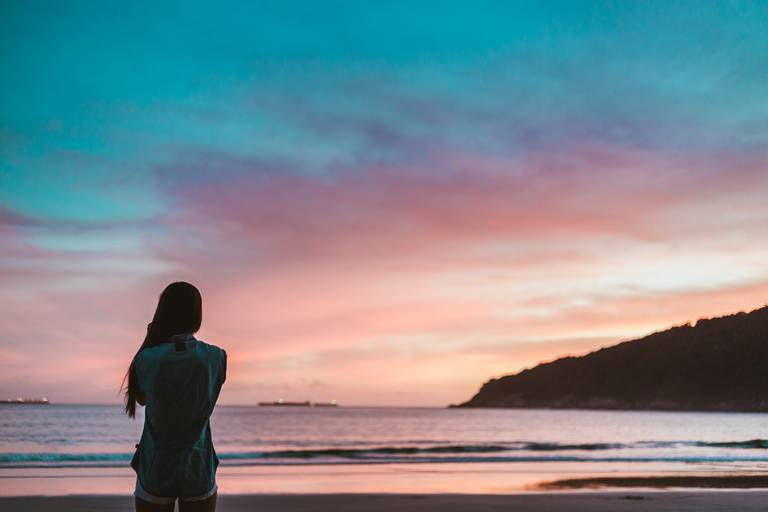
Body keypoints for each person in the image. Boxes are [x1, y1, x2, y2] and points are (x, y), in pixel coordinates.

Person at [123, 282, 227, 512]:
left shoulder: (147, 358)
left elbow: (141, 399)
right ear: (197, 314)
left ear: (162, 314)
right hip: (198, 464)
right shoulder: (216, 357)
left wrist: (151, 337)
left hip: (156, 465)